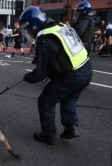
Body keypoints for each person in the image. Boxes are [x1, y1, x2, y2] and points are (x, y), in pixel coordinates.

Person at [20, 6, 93, 145]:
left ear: (34, 25)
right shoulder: (59, 27)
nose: (26, 32)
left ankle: (48, 134)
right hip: (87, 68)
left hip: (72, 75)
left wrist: (27, 77)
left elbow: (40, 74)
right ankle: (70, 127)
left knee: (45, 102)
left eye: (26, 28)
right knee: (69, 98)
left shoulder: (45, 40)